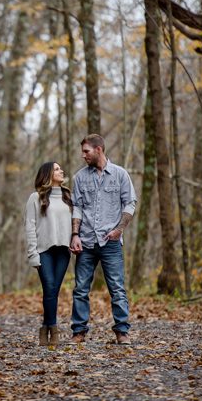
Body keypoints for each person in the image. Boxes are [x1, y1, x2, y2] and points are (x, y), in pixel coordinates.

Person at [68, 134, 136, 345]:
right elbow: (77, 207)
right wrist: (75, 235)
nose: (83, 155)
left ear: (99, 150)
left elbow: (130, 203)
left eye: (86, 151)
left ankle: (122, 331)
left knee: (117, 288)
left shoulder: (120, 175)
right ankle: (78, 332)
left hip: (111, 242)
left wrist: (119, 229)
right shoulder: (80, 177)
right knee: (80, 288)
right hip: (86, 241)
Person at [24, 162, 73, 346]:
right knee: (49, 287)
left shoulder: (69, 197)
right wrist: (32, 254)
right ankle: (53, 328)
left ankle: (45, 328)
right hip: (43, 250)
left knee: (53, 291)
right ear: (48, 174)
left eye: (61, 168)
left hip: (63, 251)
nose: (61, 171)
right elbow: (29, 226)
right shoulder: (35, 198)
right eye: (57, 169)